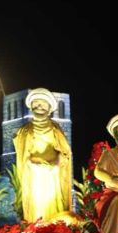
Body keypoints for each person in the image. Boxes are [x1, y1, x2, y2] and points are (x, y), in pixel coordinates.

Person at [13, 88, 72, 223]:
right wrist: (31, 163)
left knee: (53, 206)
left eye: (43, 104)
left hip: (53, 175)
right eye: (36, 104)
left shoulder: (55, 129)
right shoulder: (24, 131)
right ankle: (36, 232)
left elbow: (64, 152)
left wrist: (57, 162)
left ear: (50, 108)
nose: (39, 106)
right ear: (31, 107)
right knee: (37, 206)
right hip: (34, 175)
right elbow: (22, 154)